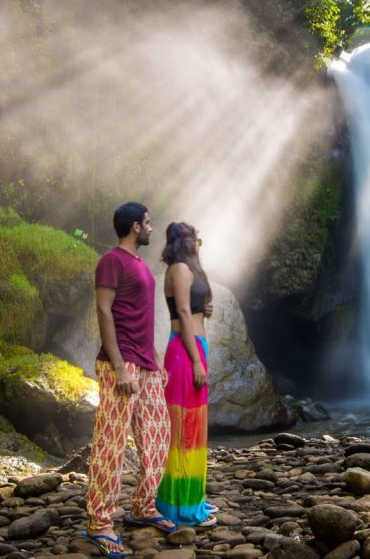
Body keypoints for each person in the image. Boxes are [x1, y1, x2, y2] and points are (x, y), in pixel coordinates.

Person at [82, 202, 174, 559]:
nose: (152, 228)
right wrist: (119, 367)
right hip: (120, 364)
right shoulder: (111, 261)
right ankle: (99, 521)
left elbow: (141, 317)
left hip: (147, 364)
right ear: (135, 226)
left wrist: (156, 359)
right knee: (112, 441)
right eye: (148, 223)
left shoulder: (140, 265)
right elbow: (104, 310)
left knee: (157, 435)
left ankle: (143, 507)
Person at [155, 221, 217, 527]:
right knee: (183, 428)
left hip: (195, 348)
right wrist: (195, 361)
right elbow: (181, 312)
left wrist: (205, 311)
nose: (195, 242)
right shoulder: (178, 268)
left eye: (196, 236)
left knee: (195, 426)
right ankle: (179, 507)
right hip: (183, 352)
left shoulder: (189, 269)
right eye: (190, 237)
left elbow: (192, 308)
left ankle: (194, 498)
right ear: (180, 242)